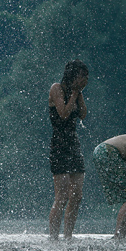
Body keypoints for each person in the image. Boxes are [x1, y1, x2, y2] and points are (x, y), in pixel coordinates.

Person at [48, 59, 89, 241]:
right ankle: (54, 237)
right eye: (82, 76)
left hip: (74, 144)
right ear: (72, 76)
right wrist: (73, 94)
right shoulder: (57, 88)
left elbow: (83, 114)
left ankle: (68, 236)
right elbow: (63, 114)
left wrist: (79, 95)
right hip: (59, 144)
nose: (85, 80)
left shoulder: (77, 92)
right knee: (62, 195)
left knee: (77, 195)